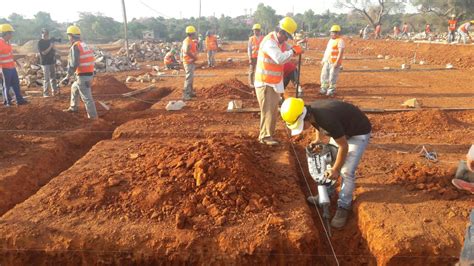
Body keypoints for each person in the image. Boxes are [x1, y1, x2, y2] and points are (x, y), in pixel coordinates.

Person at [280, 97, 372, 228]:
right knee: (330, 159)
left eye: (300, 125)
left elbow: (343, 147)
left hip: (358, 132)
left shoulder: (327, 120)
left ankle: (343, 206)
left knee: (346, 171)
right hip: (342, 129)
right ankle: (327, 193)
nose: (301, 129)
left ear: (305, 116)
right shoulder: (310, 112)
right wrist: (318, 139)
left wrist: (336, 169)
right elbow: (317, 125)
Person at [254, 16, 303, 146]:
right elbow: (280, 58)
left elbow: (287, 48)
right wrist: (293, 51)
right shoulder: (270, 42)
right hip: (265, 83)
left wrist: (296, 47)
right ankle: (265, 137)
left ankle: (268, 134)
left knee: (273, 110)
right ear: (281, 32)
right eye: (286, 36)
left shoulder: (280, 42)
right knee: (268, 110)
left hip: (273, 83)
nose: (286, 39)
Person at [61, 25, 98, 119]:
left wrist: (67, 76)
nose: (68, 38)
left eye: (69, 36)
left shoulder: (75, 47)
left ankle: (93, 118)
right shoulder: (84, 45)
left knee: (87, 98)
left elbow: (74, 64)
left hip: (83, 76)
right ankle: (73, 107)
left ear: (71, 36)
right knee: (74, 87)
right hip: (88, 74)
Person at [0, 24, 27, 107]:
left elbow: (9, 55)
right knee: (6, 86)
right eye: (10, 33)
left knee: (16, 83)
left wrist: (16, 62)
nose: (11, 35)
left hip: (12, 67)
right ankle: (7, 102)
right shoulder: (0, 43)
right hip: (4, 68)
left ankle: (19, 100)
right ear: (5, 33)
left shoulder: (7, 43)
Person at [320, 25, 345, 97]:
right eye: (331, 33)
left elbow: (340, 52)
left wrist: (337, 62)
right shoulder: (330, 41)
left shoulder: (340, 41)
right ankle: (324, 88)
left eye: (333, 33)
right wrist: (323, 60)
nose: (331, 34)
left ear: (337, 33)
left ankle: (331, 90)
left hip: (334, 63)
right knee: (324, 75)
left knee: (332, 76)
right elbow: (327, 51)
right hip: (327, 61)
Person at [37, 28, 59, 97]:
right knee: (46, 78)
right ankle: (45, 93)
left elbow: (54, 49)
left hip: (51, 61)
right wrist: (50, 46)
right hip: (45, 62)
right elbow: (44, 52)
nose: (45, 35)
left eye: (46, 34)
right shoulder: (40, 42)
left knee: (53, 77)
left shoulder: (49, 41)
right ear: (42, 34)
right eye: (43, 34)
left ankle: (54, 91)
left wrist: (53, 45)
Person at [180, 25, 198, 101]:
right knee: (189, 78)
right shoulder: (188, 41)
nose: (195, 34)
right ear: (192, 33)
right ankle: (186, 95)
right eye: (194, 33)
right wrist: (194, 58)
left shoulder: (187, 40)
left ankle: (190, 92)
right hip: (188, 62)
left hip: (189, 61)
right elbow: (187, 51)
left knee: (191, 78)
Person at [247, 23, 264, 88]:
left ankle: (260, 82)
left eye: (256, 30)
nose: (255, 31)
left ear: (259, 30)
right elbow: (249, 49)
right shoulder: (251, 38)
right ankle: (251, 83)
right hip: (253, 57)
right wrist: (250, 58)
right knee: (252, 70)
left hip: (261, 57)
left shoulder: (263, 38)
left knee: (261, 70)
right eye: (254, 30)